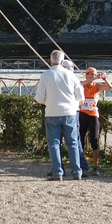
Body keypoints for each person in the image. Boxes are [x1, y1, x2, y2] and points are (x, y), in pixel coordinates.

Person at [34, 50, 84, 181]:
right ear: (62, 62)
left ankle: (58, 173)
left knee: (54, 144)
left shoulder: (45, 75)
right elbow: (80, 95)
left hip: (51, 112)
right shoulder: (70, 75)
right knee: (72, 143)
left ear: (50, 61)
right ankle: (77, 172)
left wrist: (49, 102)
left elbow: (39, 98)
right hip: (69, 112)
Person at [52, 59, 90, 178]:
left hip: (58, 113)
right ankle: (79, 169)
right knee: (74, 142)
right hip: (72, 113)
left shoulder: (57, 77)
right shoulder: (73, 79)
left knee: (57, 142)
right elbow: (81, 99)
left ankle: (59, 170)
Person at [79, 66, 112, 175]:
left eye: (93, 74)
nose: (91, 76)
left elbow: (109, 86)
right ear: (86, 75)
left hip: (93, 115)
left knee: (94, 140)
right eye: (89, 74)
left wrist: (104, 78)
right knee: (80, 140)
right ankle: (81, 164)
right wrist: (90, 80)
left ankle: (95, 166)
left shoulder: (97, 86)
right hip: (82, 114)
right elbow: (78, 84)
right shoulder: (82, 85)